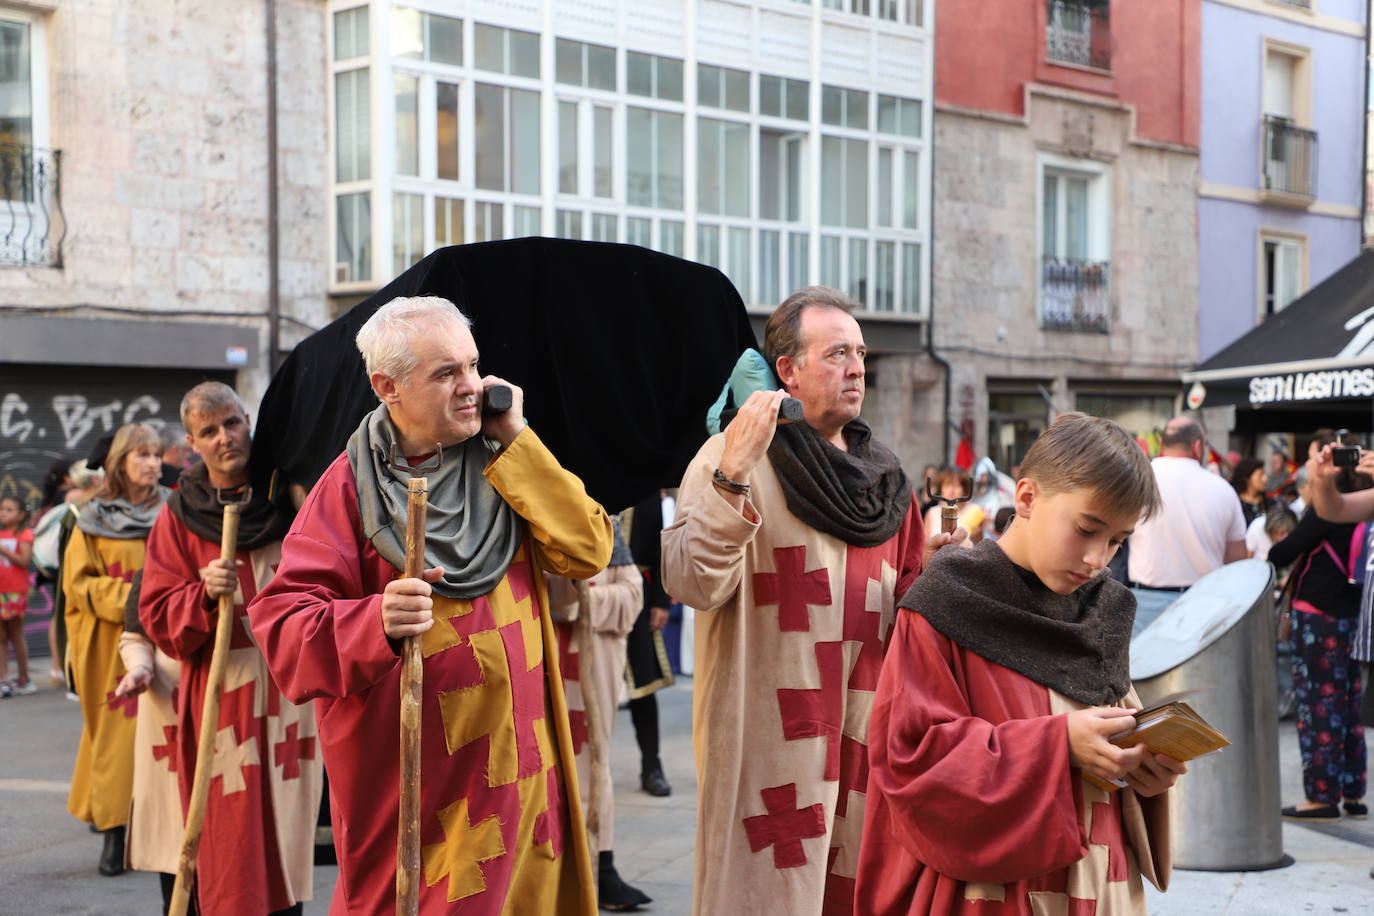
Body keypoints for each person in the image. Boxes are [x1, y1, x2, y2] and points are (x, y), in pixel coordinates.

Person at [248, 296, 611, 914]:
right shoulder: (347, 489)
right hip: (428, 801)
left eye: (473, 365)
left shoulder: (507, 460)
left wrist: (518, 438)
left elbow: (588, 549)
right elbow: (284, 628)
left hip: (523, 775)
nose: (472, 386)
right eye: (447, 373)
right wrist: (373, 622)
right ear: (387, 386)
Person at [662, 286, 950, 916]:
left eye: (861, 354)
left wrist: (935, 573)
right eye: (837, 353)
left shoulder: (886, 481)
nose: (856, 369)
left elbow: (904, 609)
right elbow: (690, 581)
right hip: (773, 747)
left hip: (865, 741)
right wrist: (731, 474)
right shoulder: (735, 457)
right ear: (788, 370)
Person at [855, 412, 1183, 914]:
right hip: (993, 892)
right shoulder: (947, 599)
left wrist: (1142, 778)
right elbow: (911, 758)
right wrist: (1057, 744)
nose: (1098, 559)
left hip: (1101, 882)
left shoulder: (1106, 608)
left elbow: (1113, 742)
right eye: (1087, 529)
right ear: (1027, 498)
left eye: (1117, 541)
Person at [139, 381, 321, 916]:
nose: (225, 438)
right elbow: (155, 612)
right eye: (209, 431)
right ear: (192, 443)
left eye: (232, 424)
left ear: (247, 421)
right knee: (228, 834)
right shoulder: (180, 514)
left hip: (288, 695)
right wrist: (201, 595)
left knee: (286, 833)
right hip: (223, 697)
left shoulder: (288, 496)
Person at [64, 422, 167, 876]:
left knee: (164, 733)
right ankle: (114, 830)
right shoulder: (90, 517)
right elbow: (78, 583)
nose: (153, 463)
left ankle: (158, 828)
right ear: (120, 462)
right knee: (114, 738)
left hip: (165, 635)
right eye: (142, 455)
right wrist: (132, 599)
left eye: (157, 455)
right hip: (109, 642)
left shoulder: (175, 510)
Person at [548, 518, 651, 910]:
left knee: (594, 756)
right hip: (546, 655)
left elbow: (633, 595)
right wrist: (564, 598)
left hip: (597, 653)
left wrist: (585, 602)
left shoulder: (606, 524)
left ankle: (601, 865)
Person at [1269, 448, 1370, 822]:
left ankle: (1322, 796)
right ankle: (1353, 792)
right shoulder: (1364, 510)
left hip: (1318, 620)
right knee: (1348, 704)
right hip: (1353, 616)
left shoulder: (1328, 512)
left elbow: (1283, 553)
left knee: (1318, 706)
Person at [114, 570, 183, 906]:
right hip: (174, 716)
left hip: (254, 722)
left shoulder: (279, 546)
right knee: (178, 841)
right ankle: (111, 839)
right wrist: (140, 667)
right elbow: (136, 633)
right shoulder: (165, 555)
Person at [1127, 416, 1246, 590]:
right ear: (1197, 446)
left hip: (1145, 593)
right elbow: (1236, 556)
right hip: (1203, 595)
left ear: (1161, 443)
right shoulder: (1223, 489)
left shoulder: (1138, 479)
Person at [624, 491, 675, 798]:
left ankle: (651, 766)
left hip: (638, 594)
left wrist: (660, 601)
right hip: (588, 591)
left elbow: (659, 547)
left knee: (643, 687)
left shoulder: (644, 487)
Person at [0, 495, 35, 696]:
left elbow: (24, 561)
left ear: (21, 515)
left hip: (15, 591)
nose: (3, 513)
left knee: (15, 634)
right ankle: (3, 679)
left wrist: (4, 551)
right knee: (1, 636)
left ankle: (24, 678)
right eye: (2, 509)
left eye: (9, 510)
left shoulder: (24, 534)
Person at [1231, 457, 1270, 527]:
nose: (1265, 478)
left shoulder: (1269, 503)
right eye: (1260, 475)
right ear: (1247, 478)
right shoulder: (1235, 504)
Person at [158, 423, 195, 488]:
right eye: (186, 449)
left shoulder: (151, 475)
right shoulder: (182, 479)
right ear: (174, 449)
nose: (188, 455)